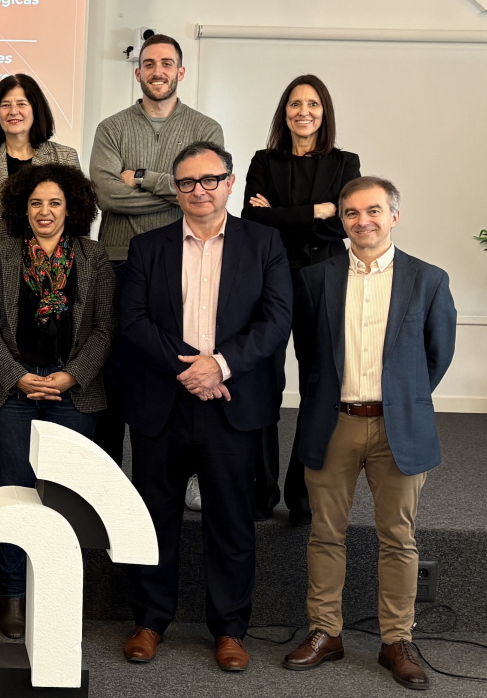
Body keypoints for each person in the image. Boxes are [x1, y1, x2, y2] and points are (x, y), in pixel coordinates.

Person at [120, 142, 290, 672]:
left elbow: (275, 319)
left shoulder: (265, 243)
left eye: (210, 180)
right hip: (163, 402)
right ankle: (149, 620)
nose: (199, 190)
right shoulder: (148, 247)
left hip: (232, 403)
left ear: (230, 182)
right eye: (188, 182)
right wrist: (190, 369)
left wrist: (219, 365)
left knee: (231, 521)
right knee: (154, 518)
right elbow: (134, 321)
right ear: (176, 189)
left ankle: (230, 629)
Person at [284, 177, 455, 691]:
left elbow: (436, 356)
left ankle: (396, 639)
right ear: (342, 219)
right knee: (324, 533)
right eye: (353, 213)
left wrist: (402, 398)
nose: (363, 221)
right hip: (333, 422)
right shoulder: (317, 278)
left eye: (374, 211)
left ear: (394, 216)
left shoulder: (428, 279)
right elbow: (310, 354)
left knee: (399, 539)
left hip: (397, 426)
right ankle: (325, 631)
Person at [0, 163, 115, 638]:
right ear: (22, 208)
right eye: (36, 203)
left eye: (55, 202)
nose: (45, 211)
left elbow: (103, 329)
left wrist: (71, 376)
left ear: (71, 208)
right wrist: (18, 378)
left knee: (64, 498)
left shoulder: (93, 258)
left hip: (73, 393)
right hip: (12, 392)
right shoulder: (1, 254)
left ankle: (55, 591)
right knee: (15, 492)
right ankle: (12, 595)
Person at [90, 33, 224, 484]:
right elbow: (107, 195)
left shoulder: (206, 129)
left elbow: (209, 189)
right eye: (149, 64)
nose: (158, 71)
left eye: (167, 63)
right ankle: (105, 480)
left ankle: (182, 475)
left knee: (177, 362)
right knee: (113, 369)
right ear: (138, 73)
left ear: (180, 72)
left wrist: (143, 177)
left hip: (187, 258)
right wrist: (179, 194)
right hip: (119, 259)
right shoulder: (111, 128)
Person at [242, 74, 362, 526]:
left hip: (323, 281)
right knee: (263, 382)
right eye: (295, 103)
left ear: (324, 112)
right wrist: (315, 211)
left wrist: (281, 215)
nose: (304, 112)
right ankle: (261, 490)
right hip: (270, 280)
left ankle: (303, 494)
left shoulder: (344, 163)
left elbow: (343, 225)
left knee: (318, 384)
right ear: (284, 111)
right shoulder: (264, 160)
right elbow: (253, 220)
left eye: (313, 104)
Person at [0, 73, 80, 324]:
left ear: (36, 109)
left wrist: (79, 284)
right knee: (0, 356)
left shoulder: (65, 158)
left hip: (55, 282)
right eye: (5, 105)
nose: (13, 111)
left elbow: (79, 226)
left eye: (21, 103)